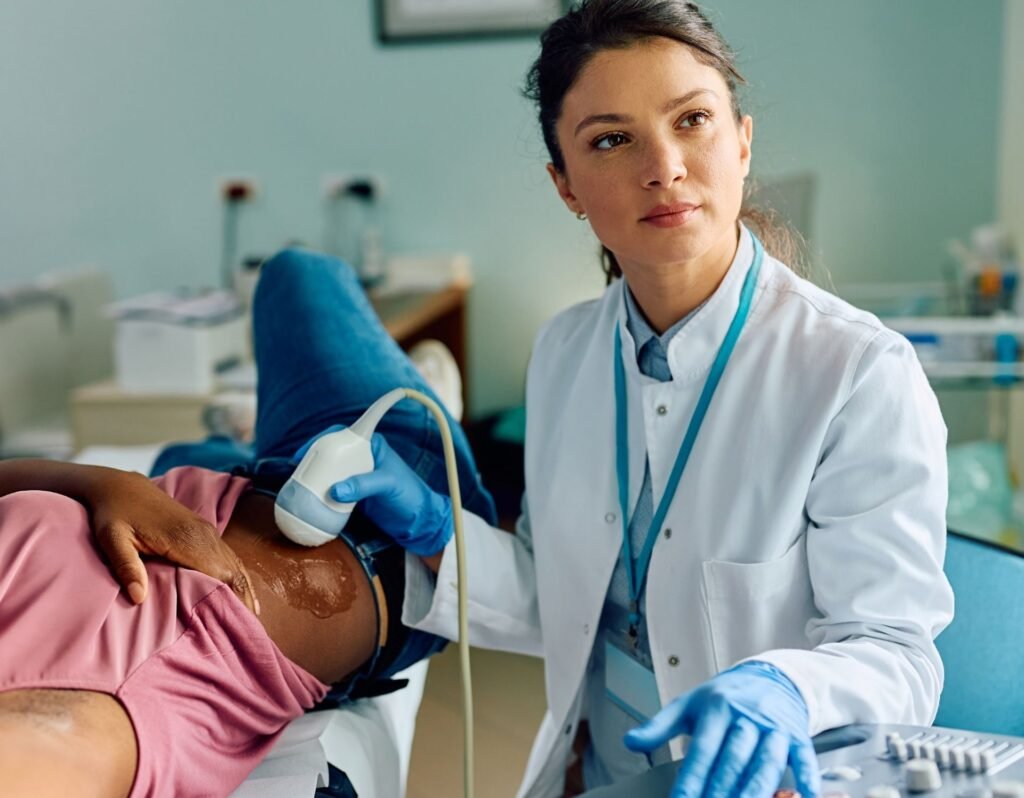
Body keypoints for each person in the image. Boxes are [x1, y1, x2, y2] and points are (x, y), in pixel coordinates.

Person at [93, 3, 953, 797]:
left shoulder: (856, 375)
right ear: (566, 186)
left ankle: (248, 441)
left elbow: (897, 656)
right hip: (595, 772)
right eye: (611, 140)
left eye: (693, 120)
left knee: (290, 305)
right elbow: (560, 602)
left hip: (760, 778)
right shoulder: (568, 353)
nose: (665, 167)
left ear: (742, 143)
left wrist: (787, 685)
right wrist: (437, 528)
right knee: (222, 479)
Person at [0, 249, 497, 798]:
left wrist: (104, 485)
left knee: (184, 453)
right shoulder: (55, 739)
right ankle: (423, 395)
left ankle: (227, 441)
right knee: (299, 271)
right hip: (371, 507)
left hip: (173, 497)